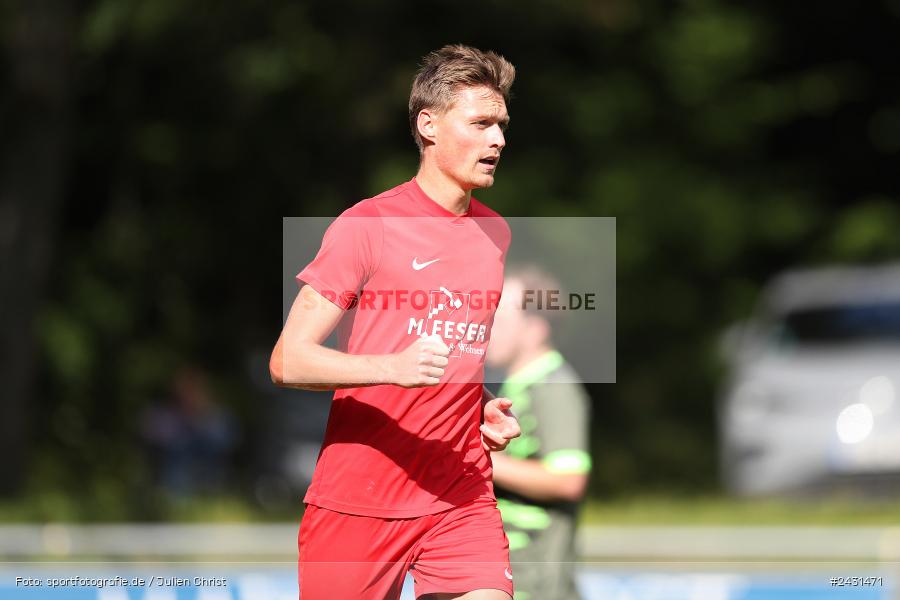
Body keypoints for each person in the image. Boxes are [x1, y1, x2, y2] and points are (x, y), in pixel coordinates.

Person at [271, 45, 521, 600]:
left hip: (460, 489)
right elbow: (288, 360)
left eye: (501, 125)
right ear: (428, 125)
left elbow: (451, 349)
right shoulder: (367, 225)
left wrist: (478, 408)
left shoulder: (496, 234)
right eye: (480, 123)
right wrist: (392, 368)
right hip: (361, 497)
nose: (498, 140)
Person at [486, 268, 593, 600]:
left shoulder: (554, 386)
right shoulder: (516, 385)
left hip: (538, 583)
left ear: (535, 329)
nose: (487, 330)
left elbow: (569, 479)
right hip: (510, 575)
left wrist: (473, 454)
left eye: (500, 321)